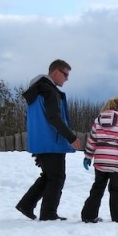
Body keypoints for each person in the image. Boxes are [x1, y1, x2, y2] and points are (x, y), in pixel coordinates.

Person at [15, 60, 81, 221]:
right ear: (56, 72)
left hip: (39, 140)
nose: (66, 79)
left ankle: (26, 204)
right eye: (65, 75)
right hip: (52, 142)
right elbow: (54, 118)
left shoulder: (36, 91)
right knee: (57, 177)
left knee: (49, 176)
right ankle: (48, 213)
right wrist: (71, 137)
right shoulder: (49, 91)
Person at [80, 97, 118, 223]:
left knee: (97, 188)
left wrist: (88, 157)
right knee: (116, 189)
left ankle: (89, 215)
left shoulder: (98, 120)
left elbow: (92, 140)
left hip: (100, 161)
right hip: (116, 162)